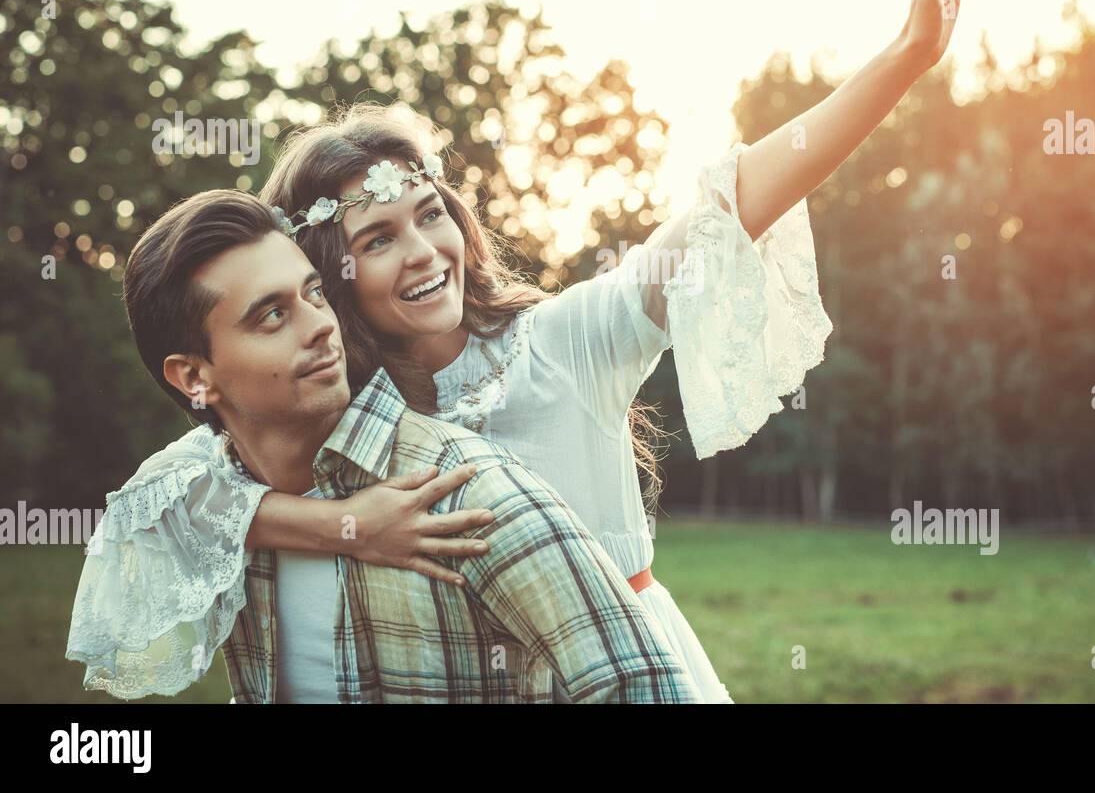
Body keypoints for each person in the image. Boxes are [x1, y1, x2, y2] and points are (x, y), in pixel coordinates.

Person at [69, 0, 965, 704]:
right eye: (378, 240)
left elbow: (727, 209)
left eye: (432, 216)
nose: (425, 253)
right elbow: (181, 502)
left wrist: (906, 57)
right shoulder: (331, 413)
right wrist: (347, 526)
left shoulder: (561, 342)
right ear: (326, 273)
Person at [66, 189, 702, 703]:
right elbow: (138, 510)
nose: (319, 326)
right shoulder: (216, 502)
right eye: (272, 316)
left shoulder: (457, 491)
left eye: (315, 294)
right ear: (193, 377)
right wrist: (336, 527)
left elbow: (644, 685)